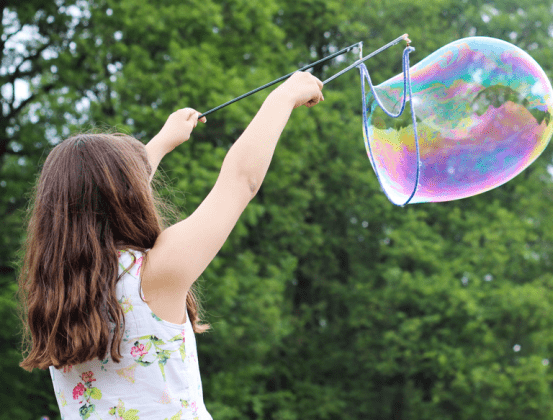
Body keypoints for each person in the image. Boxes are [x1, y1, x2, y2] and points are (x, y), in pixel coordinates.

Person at [17, 71, 324, 420]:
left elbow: (101, 198)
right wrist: (282, 97)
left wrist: (163, 141)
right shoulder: (154, 275)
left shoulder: (56, 295)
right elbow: (241, 180)